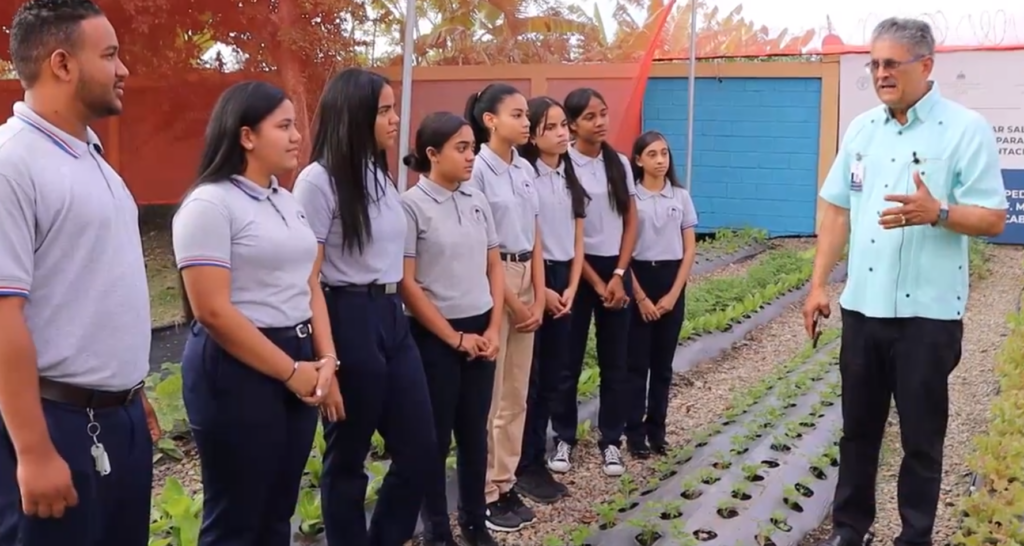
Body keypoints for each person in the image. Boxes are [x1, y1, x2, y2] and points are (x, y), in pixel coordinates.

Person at [804, 17, 1007, 546]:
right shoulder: (862, 130)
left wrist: (937, 212)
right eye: (874, 64)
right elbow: (836, 208)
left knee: (921, 438)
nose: (880, 73)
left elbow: (992, 218)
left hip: (928, 317)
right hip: (864, 308)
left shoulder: (965, 129)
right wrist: (818, 284)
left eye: (891, 63)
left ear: (926, 66)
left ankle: (914, 535)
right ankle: (851, 529)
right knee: (858, 432)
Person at [0, 2, 160, 545]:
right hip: (53, 424)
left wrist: (129, 390)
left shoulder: (93, 162)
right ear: (62, 64)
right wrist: (33, 450)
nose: (124, 69)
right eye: (110, 54)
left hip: (118, 419)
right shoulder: (12, 165)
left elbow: (93, 290)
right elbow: (3, 314)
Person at [173, 81, 336, 546]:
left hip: (298, 358)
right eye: (283, 126)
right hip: (237, 368)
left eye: (295, 126)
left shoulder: (286, 202)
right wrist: (289, 372)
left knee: (277, 509)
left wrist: (326, 359)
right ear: (246, 136)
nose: (296, 136)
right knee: (236, 517)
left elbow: (309, 283)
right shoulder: (210, 204)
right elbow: (212, 311)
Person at [292, 67, 436, 546]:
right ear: (354, 116)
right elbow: (306, 276)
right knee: (348, 457)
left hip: (392, 317)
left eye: (394, 108)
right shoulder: (318, 181)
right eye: (384, 111)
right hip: (347, 316)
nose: (396, 120)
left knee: (419, 448)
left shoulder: (379, 173)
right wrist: (326, 358)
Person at [400, 111, 505, 546]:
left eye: (472, 148)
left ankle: (475, 521)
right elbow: (406, 282)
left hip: (481, 328)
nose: (470, 156)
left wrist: (494, 327)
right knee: (435, 436)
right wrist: (452, 338)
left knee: (474, 433)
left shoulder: (475, 199)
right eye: (461, 148)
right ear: (431, 153)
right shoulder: (411, 207)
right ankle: (437, 530)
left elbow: (493, 264)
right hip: (436, 337)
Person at [463, 83, 546, 532]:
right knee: (490, 396)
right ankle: (485, 493)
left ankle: (505, 479)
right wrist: (512, 301)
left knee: (516, 393)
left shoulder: (524, 170)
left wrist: (538, 290)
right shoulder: (476, 169)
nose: (526, 121)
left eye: (525, 114)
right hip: (493, 280)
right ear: (489, 120)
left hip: (526, 278)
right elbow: (482, 244)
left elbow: (534, 234)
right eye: (517, 114)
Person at [548, 87, 638, 478]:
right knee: (566, 361)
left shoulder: (617, 163)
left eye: (603, 114)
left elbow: (632, 221)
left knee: (615, 362)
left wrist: (618, 275)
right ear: (571, 124)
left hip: (616, 270)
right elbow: (569, 231)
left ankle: (611, 441)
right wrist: (595, 283)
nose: (600, 122)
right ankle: (564, 436)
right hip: (576, 270)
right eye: (590, 117)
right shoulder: (561, 164)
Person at [514, 96, 587, 504]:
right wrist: (545, 291)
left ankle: (535, 458)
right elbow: (532, 236)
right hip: (538, 278)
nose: (562, 133)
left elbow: (578, 237)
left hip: (565, 280)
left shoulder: (569, 175)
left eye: (564, 126)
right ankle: (526, 462)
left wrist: (573, 286)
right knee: (532, 375)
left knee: (559, 373)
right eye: (552, 127)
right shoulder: (528, 175)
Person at [624, 131, 697, 458]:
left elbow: (689, 248)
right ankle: (634, 434)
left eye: (664, 153)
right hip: (639, 277)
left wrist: (672, 295)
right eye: (652, 154)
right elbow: (623, 251)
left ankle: (658, 431)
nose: (660, 160)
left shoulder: (679, 197)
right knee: (636, 364)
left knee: (662, 366)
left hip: (670, 282)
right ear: (638, 160)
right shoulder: (631, 199)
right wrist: (640, 297)